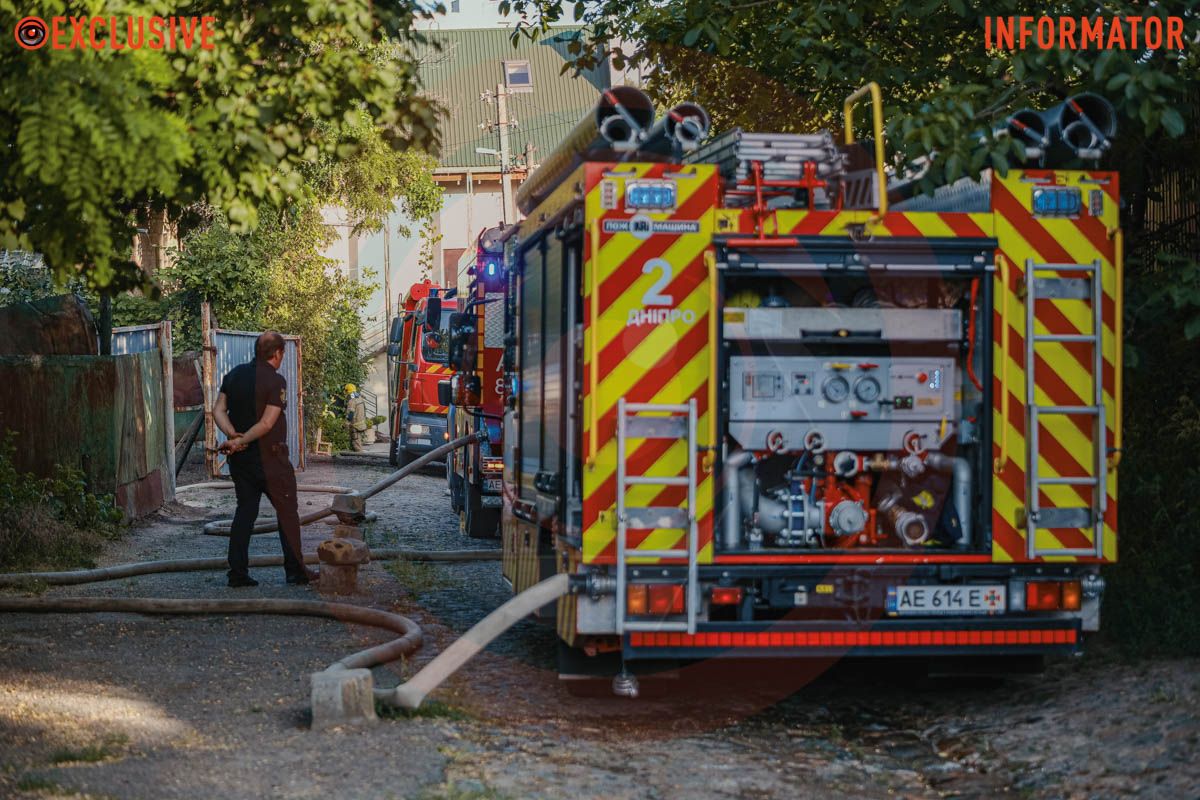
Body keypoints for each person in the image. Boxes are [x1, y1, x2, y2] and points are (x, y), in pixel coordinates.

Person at [213, 331, 318, 588]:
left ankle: (237, 573)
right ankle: (295, 572)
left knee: (245, 514)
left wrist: (232, 435)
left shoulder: (234, 375)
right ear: (278, 353)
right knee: (287, 515)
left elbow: (217, 410)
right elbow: (267, 423)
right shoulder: (276, 381)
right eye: (282, 353)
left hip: (243, 462)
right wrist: (241, 440)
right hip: (272, 461)